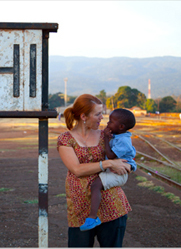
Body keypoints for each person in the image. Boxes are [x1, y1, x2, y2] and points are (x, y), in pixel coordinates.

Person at [57, 94, 132, 247]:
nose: (102, 118)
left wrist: (128, 166)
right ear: (83, 116)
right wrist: (107, 163)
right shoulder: (65, 139)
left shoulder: (108, 136)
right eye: (98, 114)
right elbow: (77, 169)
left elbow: (126, 157)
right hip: (80, 209)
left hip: (112, 206)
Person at [80, 108, 137, 232]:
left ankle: (92, 218)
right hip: (114, 169)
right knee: (96, 186)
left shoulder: (123, 141)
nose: (107, 123)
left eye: (111, 121)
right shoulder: (118, 135)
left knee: (95, 186)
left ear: (121, 126)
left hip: (119, 172)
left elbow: (111, 156)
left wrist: (106, 139)